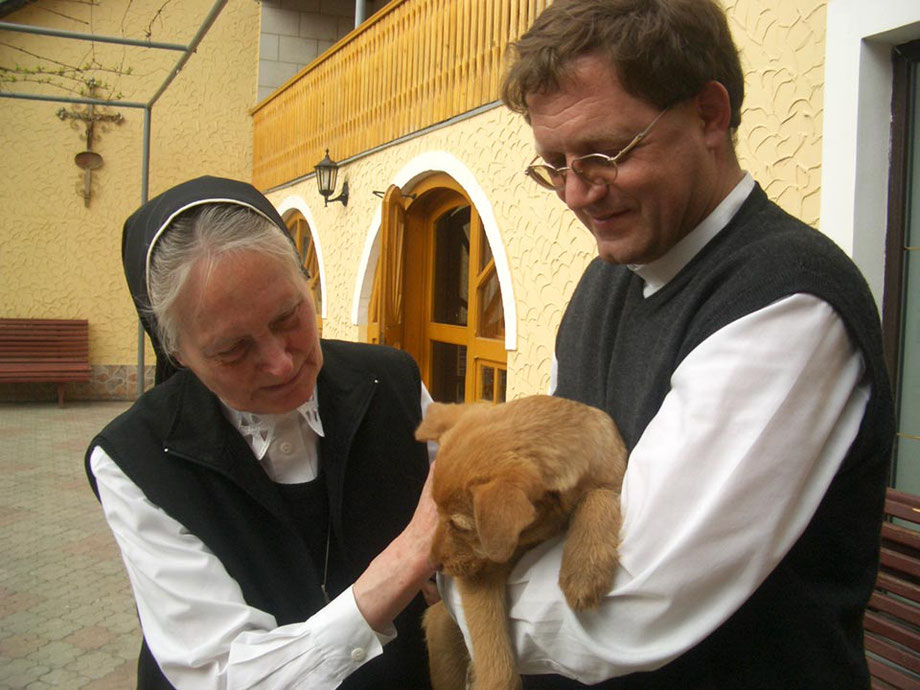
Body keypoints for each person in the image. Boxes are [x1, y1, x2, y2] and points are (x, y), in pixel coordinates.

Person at [438, 0, 895, 687]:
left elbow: (629, 606)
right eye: (555, 163)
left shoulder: (788, 300)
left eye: (602, 153)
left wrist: (452, 577)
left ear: (710, 115)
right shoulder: (604, 283)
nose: (574, 193)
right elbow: (552, 504)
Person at [85, 176, 439, 689]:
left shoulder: (393, 380)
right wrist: (412, 555)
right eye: (232, 350)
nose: (279, 363)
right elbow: (227, 676)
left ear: (306, 283)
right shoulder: (137, 458)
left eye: (289, 316)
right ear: (179, 354)